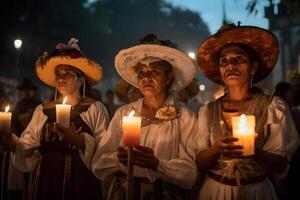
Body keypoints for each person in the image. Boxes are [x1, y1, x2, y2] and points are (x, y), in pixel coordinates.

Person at [194, 24, 300, 200]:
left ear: (253, 67)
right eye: (224, 61)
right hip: (215, 192)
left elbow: (282, 165)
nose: (230, 65)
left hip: (257, 191)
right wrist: (217, 148)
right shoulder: (208, 110)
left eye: (239, 58)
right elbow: (200, 161)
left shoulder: (273, 107)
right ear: (220, 72)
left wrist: (254, 152)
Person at [0, 38, 109, 200]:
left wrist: (79, 141)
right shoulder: (43, 110)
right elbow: (28, 145)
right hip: (47, 182)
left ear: (81, 80)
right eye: (58, 74)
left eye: (67, 74)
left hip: (82, 184)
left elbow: (105, 151)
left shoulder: (95, 109)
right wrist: (13, 144)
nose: (61, 78)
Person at [92, 34, 198, 199]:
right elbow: (99, 164)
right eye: (141, 72)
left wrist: (156, 164)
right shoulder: (124, 113)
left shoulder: (185, 116)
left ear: (168, 77)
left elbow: (189, 173)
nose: (146, 78)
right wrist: (120, 160)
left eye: (154, 72)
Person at [8, 78, 41, 200]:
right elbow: (14, 121)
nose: (27, 92)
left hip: (34, 142)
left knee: (32, 173)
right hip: (20, 139)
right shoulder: (20, 104)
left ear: (33, 91)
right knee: (20, 173)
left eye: (29, 90)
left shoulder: (39, 104)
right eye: (25, 90)